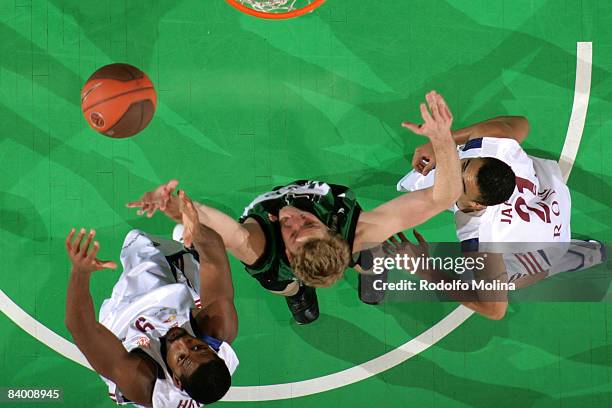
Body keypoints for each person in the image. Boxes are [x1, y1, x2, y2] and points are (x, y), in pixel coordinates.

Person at [127, 91, 463, 324]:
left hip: (314, 258)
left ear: (287, 253)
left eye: (293, 232)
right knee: (307, 276)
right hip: (320, 256)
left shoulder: (262, 249)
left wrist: (176, 204)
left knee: (343, 260)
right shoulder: (343, 232)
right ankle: (306, 290)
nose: (294, 220)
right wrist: (443, 139)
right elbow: (443, 197)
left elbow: (219, 226)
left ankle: (363, 270)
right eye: (307, 226)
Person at [392, 115, 605, 319]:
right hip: (550, 200)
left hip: (547, 242)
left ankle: (579, 256)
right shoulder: (497, 150)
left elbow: (495, 309)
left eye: (459, 180)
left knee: (485, 279)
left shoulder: (484, 241)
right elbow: (521, 123)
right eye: (463, 164)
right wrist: (442, 143)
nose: (450, 169)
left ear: (477, 205)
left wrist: (423, 269)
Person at [65, 191, 239, 407]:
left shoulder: (142, 379)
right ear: (213, 352)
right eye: (197, 347)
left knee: (139, 243)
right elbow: (215, 257)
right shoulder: (219, 332)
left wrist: (80, 273)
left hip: (123, 324)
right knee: (196, 261)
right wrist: (194, 227)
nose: (183, 343)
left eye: (182, 357)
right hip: (175, 308)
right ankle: (186, 243)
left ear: (175, 379)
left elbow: (80, 327)